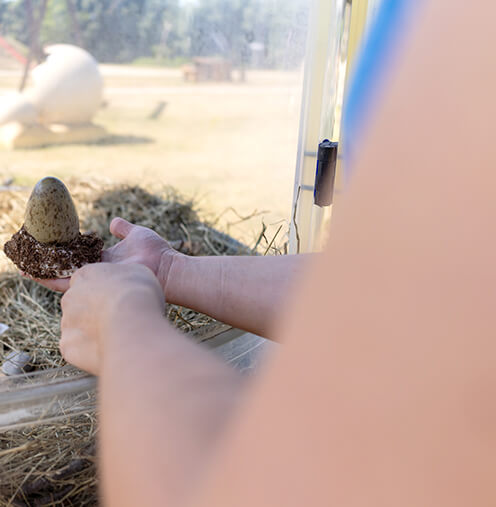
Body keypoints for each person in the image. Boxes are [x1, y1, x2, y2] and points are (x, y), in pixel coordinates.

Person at [28, 2, 496, 505]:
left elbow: (261, 485)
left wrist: (122, 327)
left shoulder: (469, 27)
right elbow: (409, 301)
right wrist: (168, 270)